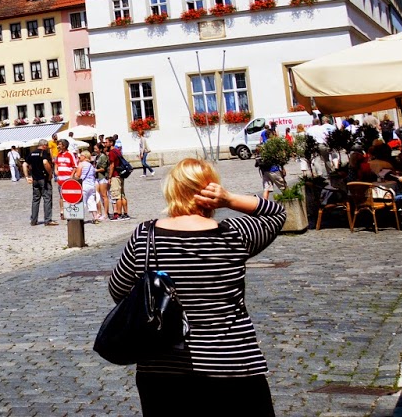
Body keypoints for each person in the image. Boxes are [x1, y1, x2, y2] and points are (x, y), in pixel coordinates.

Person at [107, 158, 283, 413]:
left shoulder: (145, 236)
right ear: (213, 191)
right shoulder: (234, 233)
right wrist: (229, 199)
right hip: (231, 364)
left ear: (171, 190)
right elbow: (276, 213)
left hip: (162, 370)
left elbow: (118, 290)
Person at [23, 139, 54, 227]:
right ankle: (48, 220)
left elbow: (24, 164)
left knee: (35, 200)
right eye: (47, 146)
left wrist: (26, 177)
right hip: (43, 179)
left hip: (35, 179)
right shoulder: (43, 153)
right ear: (44, 145)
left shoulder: (31, 153)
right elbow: (45, 162)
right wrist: (50, 173)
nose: (47, 147)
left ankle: (33, 220)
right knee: (47, 198)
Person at [108, 139, 131, 219]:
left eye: (106, 142)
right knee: (122, 195)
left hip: (115, 175)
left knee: (117, 196)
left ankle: (118, 214)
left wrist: (110, 177)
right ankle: (125, 213)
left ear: (111, 143)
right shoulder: (117, 151)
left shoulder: (111, 152)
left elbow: (112, 165)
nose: (105, 144)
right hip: (121, 175)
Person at [79, 150, 103, 221]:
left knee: (82, 201)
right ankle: (95, 217)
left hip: (84, 184)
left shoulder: (81, 164)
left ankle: (80, 218)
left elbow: (78, 175)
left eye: (81, 155)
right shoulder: (91, 166)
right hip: (92, 185)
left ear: (85, 156)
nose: (80, 157)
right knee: (91, 201)